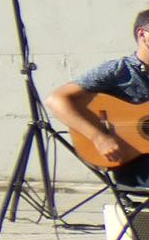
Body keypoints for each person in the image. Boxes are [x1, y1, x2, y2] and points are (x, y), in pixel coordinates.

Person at [46, 9, 149, 183]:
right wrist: (99, 138)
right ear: (142, 34)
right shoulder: (119, 70)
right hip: (134, 164)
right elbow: (56, 100)